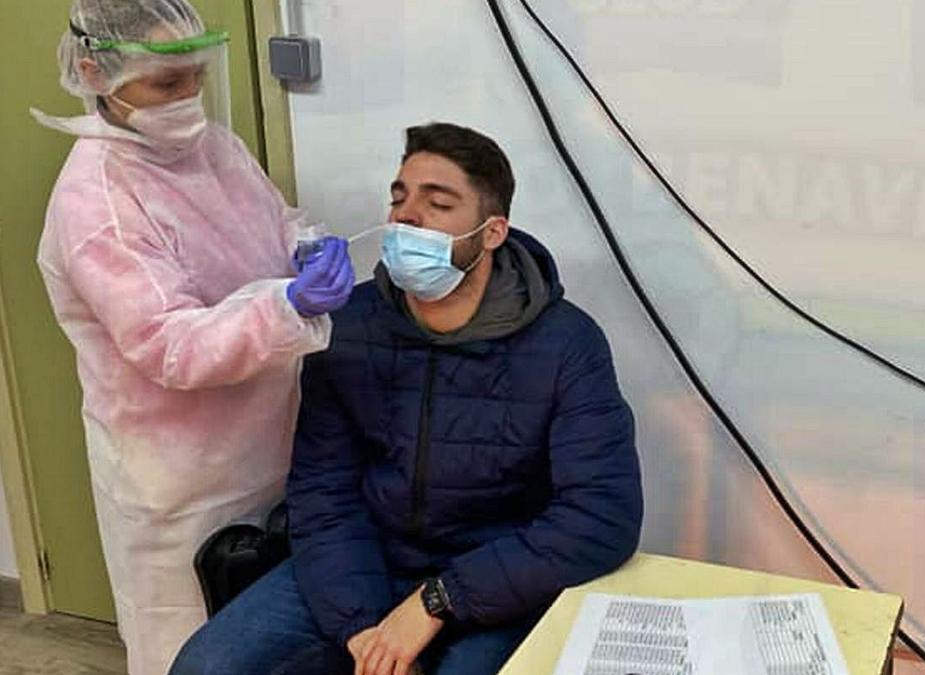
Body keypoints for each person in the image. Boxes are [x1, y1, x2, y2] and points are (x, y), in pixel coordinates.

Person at [169, 122, 644, 675]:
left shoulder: (565, 343)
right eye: (399, 198)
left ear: (492, 233)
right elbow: (323, 492)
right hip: (365, 561)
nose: (406, 216)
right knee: (206, 667)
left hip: (497, 578)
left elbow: (602, 517)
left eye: (437, 203)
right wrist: (366, 630)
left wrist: (436, 602)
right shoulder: (350, 325)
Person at [31, 1, 354, 673]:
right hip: (180, 489)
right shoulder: (98, 202)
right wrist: (286, 304)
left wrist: (303, 248)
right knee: (188, 653)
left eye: (194, 79)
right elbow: (170, 345)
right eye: (164, 85)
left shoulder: (212, 147)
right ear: (94, 73)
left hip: (272, 451)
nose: (186, 100)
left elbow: (268, 219)